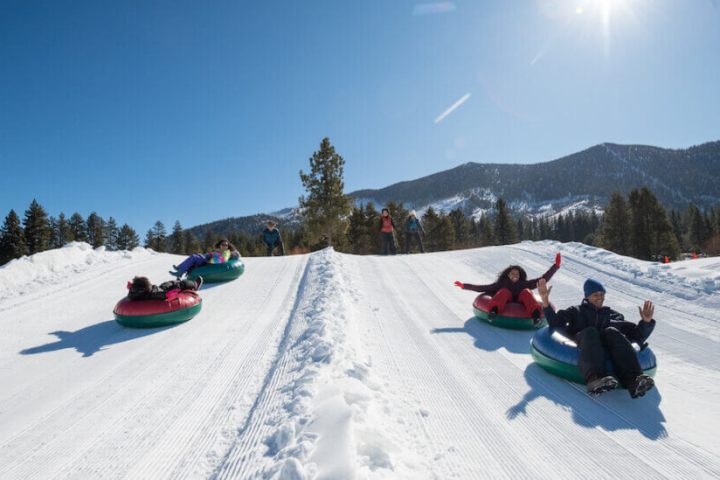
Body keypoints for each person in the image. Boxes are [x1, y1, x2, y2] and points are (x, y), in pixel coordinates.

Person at [537, 277, 656, 398]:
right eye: (595, 294)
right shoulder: (576, 311)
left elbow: (636, 337)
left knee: (612, 332)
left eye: (602, 294)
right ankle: (595, 379)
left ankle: (634, 381)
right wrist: (545, 300)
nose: (599, 297)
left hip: (608, 345)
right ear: (587, 296)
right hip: (584, 341)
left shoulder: (612, 315)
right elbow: (555, 323)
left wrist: (646, 322)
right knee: (591, 331)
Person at [454, 253, 561, 326]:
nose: (515, 275)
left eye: (517, 274)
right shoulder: (501, 284)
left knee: (526, 292)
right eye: (512, 273)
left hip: (521, 300)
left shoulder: (524, 284)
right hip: (505, 300)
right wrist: (464, 286)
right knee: (504, 291)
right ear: (508, 275)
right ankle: (493, 312)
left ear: (520, 275)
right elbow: (482, 288)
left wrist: (555, 266)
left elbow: (544, 279)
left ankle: (536, 316)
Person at [169, 238, 240, 278]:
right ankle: (179, 269)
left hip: (208, 262)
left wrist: (210, 260)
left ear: (228, 246)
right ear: (220, 245)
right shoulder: (218, 251)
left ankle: (180, 272)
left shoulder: (227, 252)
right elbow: (213, 255)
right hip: (207, 259)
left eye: (226, 245)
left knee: (194, 257)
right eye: (223, 244)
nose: (224, 246)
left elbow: (222, 259)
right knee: (195, 256)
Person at [126, 275, 202, 301]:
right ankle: (195, 284)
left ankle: (176, 281)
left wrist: (131, 287)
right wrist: (173, 292)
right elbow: (164, 295)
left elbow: (131, 293)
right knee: (181, 284)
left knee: (166, 283)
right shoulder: (154, 294)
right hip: (164, 291)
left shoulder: (134, 293)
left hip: (160, 288)